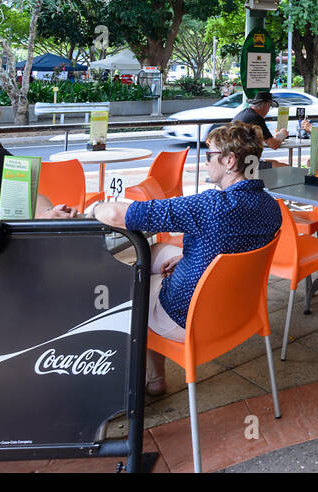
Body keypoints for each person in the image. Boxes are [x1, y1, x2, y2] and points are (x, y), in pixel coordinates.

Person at [89, 124, 282, 397]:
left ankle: (127, 384)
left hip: (187, 316)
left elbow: (119, 216)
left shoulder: (210, 206)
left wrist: (93, 208)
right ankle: (154, 378)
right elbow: (236, 244)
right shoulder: (270, 206)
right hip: (240, 311)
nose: (204, 162)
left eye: (208, 155)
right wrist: (188, 256)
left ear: (229, 161)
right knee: (156, 253)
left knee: (130, 285)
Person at [231, 91, 289, 155]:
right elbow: (273, 145)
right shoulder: (256, 118)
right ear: (265, 105)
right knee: (281, 164)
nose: (268, 110)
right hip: (243, 159)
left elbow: (267, 139)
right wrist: (282, 134)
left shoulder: (245, 113)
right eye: (269, 106)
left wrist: (276, 137)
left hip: (234, 154)